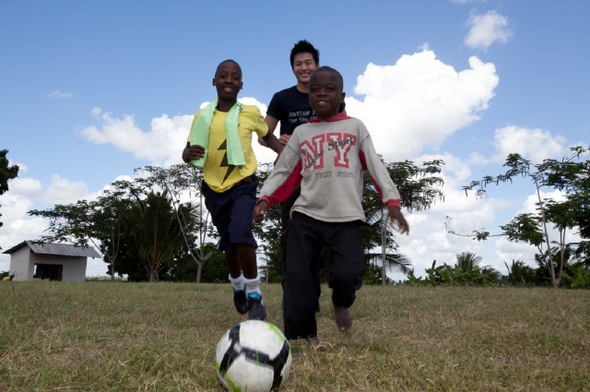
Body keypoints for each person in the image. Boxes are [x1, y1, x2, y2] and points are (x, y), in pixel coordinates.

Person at [253, 66, 409, 342]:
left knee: (346, 275)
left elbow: (375, 166)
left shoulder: (355, 127)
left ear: (342, 95)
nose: (322, 93)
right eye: (315, 89)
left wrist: (392, 202)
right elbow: (284, 172)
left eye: (329, 89)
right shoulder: (301, 133)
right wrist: (265, 198)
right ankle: (302, 337)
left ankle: (342, 302)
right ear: (309, 95)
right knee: (298, 279)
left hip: (346, 216)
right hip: (306, 214)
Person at [182, 59, 283, 320]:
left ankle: (253, 293)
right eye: (223, 76)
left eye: (235, 76)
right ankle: (237, 286)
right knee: (228, 244)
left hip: (243, 185)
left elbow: (267, 136)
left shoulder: (250, 112)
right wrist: (187, 153)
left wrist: (284, 152)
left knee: (240, 231)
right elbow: (188, 149)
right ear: (214, 81)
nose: (229, 80)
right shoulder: (201, 116)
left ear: (241, 84)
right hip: (214, 189)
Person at [259, 39, 324, 300]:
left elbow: (339, 128)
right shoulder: (282, 98)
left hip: (321, 174)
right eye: (299, 64)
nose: (304, 67)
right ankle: (291, 290)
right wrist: (280, 146)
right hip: (291, 176)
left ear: (317, 65)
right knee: (290, 231)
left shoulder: (325, 94)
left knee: (320, 231)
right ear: (292, 68)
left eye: (308, 62)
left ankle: (314, 288)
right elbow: (263, 134)